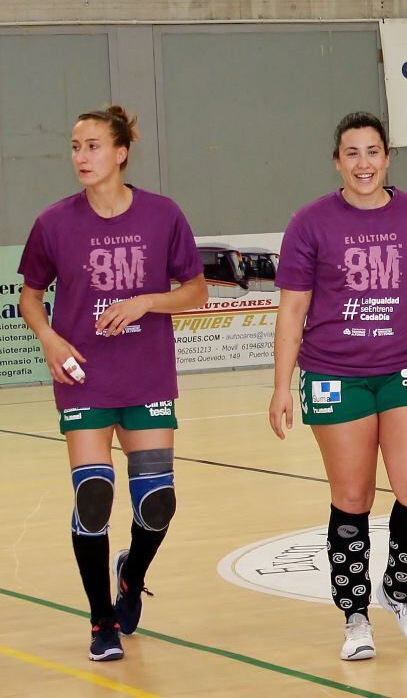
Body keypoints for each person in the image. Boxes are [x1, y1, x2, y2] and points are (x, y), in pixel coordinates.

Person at [268, 111, 407, 661]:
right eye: (352, 153)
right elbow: (292, 309)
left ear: (388, 157)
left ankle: (401, 592)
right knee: (352, 496)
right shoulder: (310, 223)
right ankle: (355, 614)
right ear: (337, 162)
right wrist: (283, 385)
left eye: (373, 151)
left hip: (404, 367)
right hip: (334, 374)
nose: (363, 163)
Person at [18, 106, 208, 661]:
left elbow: (195, 292)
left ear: (121, 152)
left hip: (146, 374)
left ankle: (132, 574)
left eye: (94, 145)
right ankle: (101, 621)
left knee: (158, 506)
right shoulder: (55, 222)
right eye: (76, 146)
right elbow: (30, 294)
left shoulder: (162, 215)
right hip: (85, 378)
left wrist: (148, 300)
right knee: (94, 497)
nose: (82, 156)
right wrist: (49, 338)